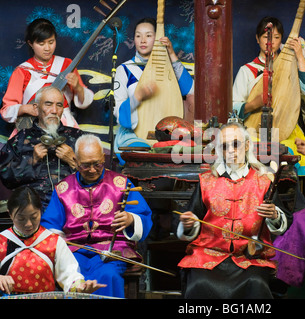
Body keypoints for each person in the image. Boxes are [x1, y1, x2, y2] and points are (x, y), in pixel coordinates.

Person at [176, 121, 289, 299]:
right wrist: (188, 223)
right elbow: (192, 217)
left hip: (249, 259)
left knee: (256, 284)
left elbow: (283, 221)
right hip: (209, 256)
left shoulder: (264, 181)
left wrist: (274, 215)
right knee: (199, 284)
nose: (230, 150)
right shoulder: (206, 181)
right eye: (224, 146)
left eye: (235, 144)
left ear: (246, 146)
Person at [40, 134, 153, 298]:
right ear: (76, 160)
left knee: (108, 276)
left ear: (103, 158)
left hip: (112, 251)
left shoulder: (120, 184)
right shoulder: (64, 189)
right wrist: (60, 244)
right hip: (75, 251)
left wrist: (130, 219)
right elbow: (50, 226)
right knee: (73, 275)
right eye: (86, 165)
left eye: (97, 164)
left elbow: (143, 216)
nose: (92, 170)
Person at [232, 16, 305, 176]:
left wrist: (299, 56)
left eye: (276, 38)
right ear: (257, 39)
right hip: (255, 130)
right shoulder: (247, 70)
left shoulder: (290, 68)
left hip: (287, 128)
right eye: (266, 37)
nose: (271, 42)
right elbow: (234, 107)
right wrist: (253, 105)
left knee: (296, 154)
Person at [113, 17, 194, 164]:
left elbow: (190, 91)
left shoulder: (168, 67)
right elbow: (119, 113)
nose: (143, 40)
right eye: (138, 36)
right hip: (132, 137)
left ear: (157, 39)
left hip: (168, 137)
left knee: (186, 152)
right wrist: (138, 96)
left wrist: (171, 54)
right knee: (146, 156)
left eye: (148, 35)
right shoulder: (124, 69)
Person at [0, 186, 106, 295]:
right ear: (10, 215)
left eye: (34, 217)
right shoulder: (2, 240)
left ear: (41, 212)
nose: (28, 224)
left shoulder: (53, 241)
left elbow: (69, 273)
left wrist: (80, 286)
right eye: (21, 218)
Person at [1, 18, 94, 137]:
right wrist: (25, 108)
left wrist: (77, 87)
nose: (47, 48)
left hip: (64, 124)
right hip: (32, 126)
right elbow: (7, 111)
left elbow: (84, 102)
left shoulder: (66, 65)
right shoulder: (22, 71)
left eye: (51, 42)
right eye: (41, 43)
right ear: (30, 43)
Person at [0, 86, 82, 210]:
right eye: (48, 104)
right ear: (36, 108)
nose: (54, 110)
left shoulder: (78, 137)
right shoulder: (21, 139)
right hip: (33, 210)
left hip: (73, 207)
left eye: (59, 105)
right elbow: (7, 179)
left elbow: (98, 176)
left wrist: (73, 161)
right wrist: (32, 161)